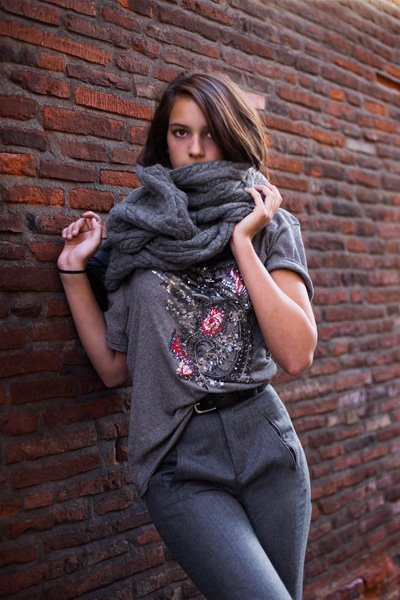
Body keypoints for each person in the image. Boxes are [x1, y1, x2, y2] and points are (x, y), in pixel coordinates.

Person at [57, 72, 318, 600]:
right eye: (181, 133)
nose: (195, 149)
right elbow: (114, 369)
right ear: (164, 138)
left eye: (210, 133)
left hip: (266, 443)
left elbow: (296, 354)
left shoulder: (269, 223)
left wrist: (242, 242)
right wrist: (72, 270)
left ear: (233, 135)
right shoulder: (136, 232)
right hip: (179, 459)